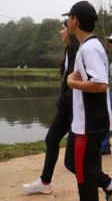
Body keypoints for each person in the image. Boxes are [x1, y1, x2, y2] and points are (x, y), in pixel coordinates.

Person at [62, 1, 112, 201]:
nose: (66, 22)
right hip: (82, 123)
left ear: (75, 20)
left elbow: (100, 84)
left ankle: (111, 187)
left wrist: (72, 83)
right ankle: (111, 186)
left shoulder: (90, 48)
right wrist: (74, 75)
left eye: (69, 18)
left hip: (90, 124)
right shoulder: (87, 47)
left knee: (84, 175)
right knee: (73, 163)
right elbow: (90, 77)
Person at [21, 19, 80, 194]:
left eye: (63, 28)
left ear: (70, 30)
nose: (60, 32)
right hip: (65, 107)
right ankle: (45, 182)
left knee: (72, 160)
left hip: (75, 110)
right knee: (51, 139)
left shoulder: (80, 53)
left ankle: (106, 182)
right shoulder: (69, 51)